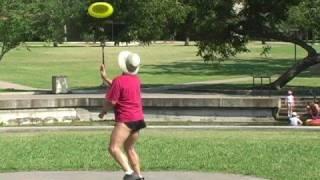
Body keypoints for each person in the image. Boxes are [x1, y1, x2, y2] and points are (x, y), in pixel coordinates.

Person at [99, 51, 146, 180]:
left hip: (125, 119)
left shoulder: (118, 81)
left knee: (113, 148)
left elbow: (112, 101)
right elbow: (120, 86)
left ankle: (130, 173)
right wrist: (105, 78)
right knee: (129, 148)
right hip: (138, 119)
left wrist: (103, 112)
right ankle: (140, 176)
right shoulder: (136, 80)